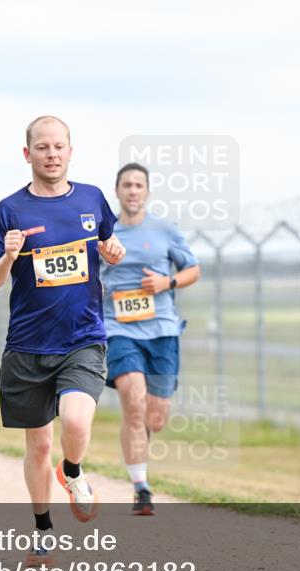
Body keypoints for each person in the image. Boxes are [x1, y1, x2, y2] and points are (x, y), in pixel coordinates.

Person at [0, 116, 126, 566]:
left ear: (70, 150)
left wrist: (114, 252)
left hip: (82, 338)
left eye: (59, 146)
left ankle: (74, 471)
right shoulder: (10, 210)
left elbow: (109, 246)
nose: (52, 154)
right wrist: (7, 256)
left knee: (76, 423)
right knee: (38, 445)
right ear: (28, 154)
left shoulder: (92, 198)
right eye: (42, 147)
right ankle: (43, 530)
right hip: (27, 345)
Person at [101, 163, 200, 515]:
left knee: (154, 417)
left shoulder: (164, 230)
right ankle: (141, 487)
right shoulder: (103, 231)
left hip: (162, 329)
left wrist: (166, 283)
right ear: (117, 190)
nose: (132, 190)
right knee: (133, 398)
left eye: (138, 185)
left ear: (147, 192)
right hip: (118, 329)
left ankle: (138, 438)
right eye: (126, 184)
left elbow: (193, 269)